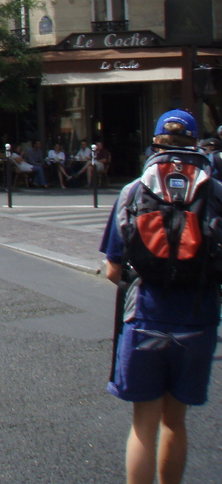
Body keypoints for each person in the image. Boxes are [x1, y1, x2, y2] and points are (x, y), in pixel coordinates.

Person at [101, 109, 222, 484]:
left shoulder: (135, 190)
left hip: (146, 317)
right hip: (198, 320)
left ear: (154, 143)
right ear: (196, 143)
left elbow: (112, 270)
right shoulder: (216, 192)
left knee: (143, 426)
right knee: (176, 422)